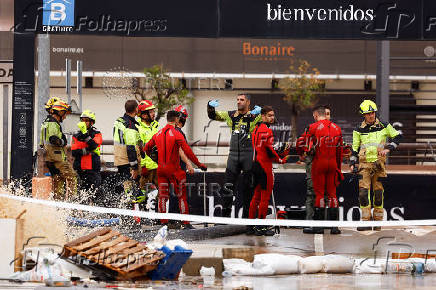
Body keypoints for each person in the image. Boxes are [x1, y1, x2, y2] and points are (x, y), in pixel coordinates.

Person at [144, 110, 207, 228]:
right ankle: (186, 223)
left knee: (163, 196)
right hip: (174, 170)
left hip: (161, 169)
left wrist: (155, 159)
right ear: (177, 120)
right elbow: (187, 151)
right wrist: (199, 165)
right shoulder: (176, 133)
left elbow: (147, 148)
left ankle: (163, 223)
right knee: (181, 196)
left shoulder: (158, 133)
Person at [350, 100, 402, 231]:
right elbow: (354, 149)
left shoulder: (384, 125)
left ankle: (377, 222)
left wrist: (388, 148)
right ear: (363, 115)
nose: (371, 115)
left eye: (372, 112)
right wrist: (352, 163)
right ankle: (365, 222)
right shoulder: (358, 129)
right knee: (363, 193)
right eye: (368, 113)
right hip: (364, 165)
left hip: (379, 165)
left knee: (378, 194)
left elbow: (398, 137)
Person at [207, 94, 262, 218]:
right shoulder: (230, 115)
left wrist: (262, 110)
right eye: (237, 100)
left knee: (248, 189)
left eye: (241, 100)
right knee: (227, 188)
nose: (238, 102)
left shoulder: (255, 116)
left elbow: (272, 119)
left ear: (248, 102)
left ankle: (248, 220)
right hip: (233, 157)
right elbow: (212, 115)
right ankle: (225, 220)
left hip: (248, 156)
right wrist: (210, 105)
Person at [298, 106, 344, 235]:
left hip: (319, 163)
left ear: (316, 115)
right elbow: (340, 151)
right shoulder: (337, 128)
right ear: (326, 114)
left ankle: (319, 227)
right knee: (332, 195)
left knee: (319, 194)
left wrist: (301, 153)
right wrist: (338, 169)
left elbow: (301, 143)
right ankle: (334, 228)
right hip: (333, 163)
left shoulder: (313, 127)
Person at [248, 106, 289, 236]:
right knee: (264, 198)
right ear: (263, 116)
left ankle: (250, 226)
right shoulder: (267, 130)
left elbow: (262, 148)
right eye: (270, 115)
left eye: (273, 115)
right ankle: (261, 227)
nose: (272, 118)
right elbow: (269, 150)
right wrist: (280, 159)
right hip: (264, 167)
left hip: (255, 165)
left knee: (256, 197)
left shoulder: (255, 129)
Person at [297, 105, 332, 222]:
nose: (326, 116)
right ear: (317, 115)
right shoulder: (311, 128)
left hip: (328, 166)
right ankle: (310, 221)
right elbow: (301, 143)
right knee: (312, 192)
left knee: (328, 194)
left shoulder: (334, 129)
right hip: (313, 164)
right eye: (325, 114)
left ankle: (327, 223)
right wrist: (303, 154)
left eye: (328, 114)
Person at [40, 99, 77, 200]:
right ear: (59, 112)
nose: (65, 117)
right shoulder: (53, 123)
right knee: (72, 177)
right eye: (64, 114)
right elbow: (53, 139)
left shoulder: (45, 123)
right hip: (57, 158)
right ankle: (73, 201)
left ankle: (58, 204)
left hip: (49, 159)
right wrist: (63, 141)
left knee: (58, 182)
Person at [71, 110, 103, 202]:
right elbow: (74, 152)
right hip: (80, 168)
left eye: (86, 120)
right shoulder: (76, 135)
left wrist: (85, 135)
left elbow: (94, 145)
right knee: (81, 194)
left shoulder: (97, 133)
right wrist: (88, 150)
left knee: (95, 193)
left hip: (93, 168)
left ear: (92, 122)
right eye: (82, 120)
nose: (83, 122)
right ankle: (81, 213)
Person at [113, 100, 140, 196]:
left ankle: (121, 206)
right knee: (128, 190)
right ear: (136, 109)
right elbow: (131, 147)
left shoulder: (119, 121)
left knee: (123, 187)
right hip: (127, 160)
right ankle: (127, 208)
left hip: (119, 159)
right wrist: (135, 167)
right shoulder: (130, 125)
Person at [136, 100, 159, 202]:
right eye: (151, 111)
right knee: (142, 196)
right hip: (146, 168)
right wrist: (144, 166)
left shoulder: (155, 127)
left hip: (157, 166)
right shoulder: (139, 129)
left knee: (161, 194)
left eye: (154, 111)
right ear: (144, 115)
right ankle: (142, 216)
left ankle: (160, 217)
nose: (154, 113)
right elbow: (140, 149)